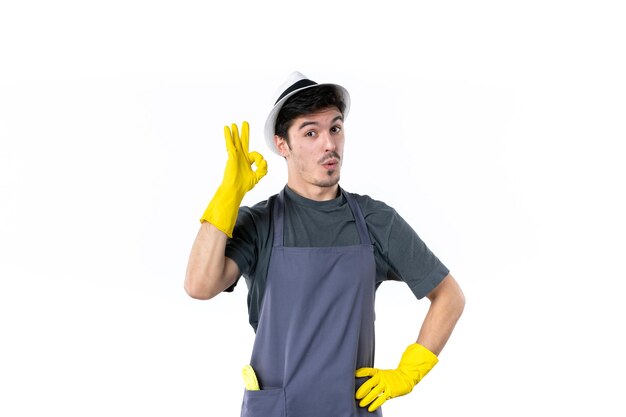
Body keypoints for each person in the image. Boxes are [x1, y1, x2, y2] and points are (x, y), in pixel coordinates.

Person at [184, 71, 465, 416]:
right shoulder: (260, 222)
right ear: (282, 145)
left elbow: (449, 295)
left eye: (335, 128)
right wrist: (228, 194)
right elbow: (199, 285)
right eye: (311, 133)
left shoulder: (375, 221)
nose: (329, 144)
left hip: (351, 408)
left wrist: (408, 372)